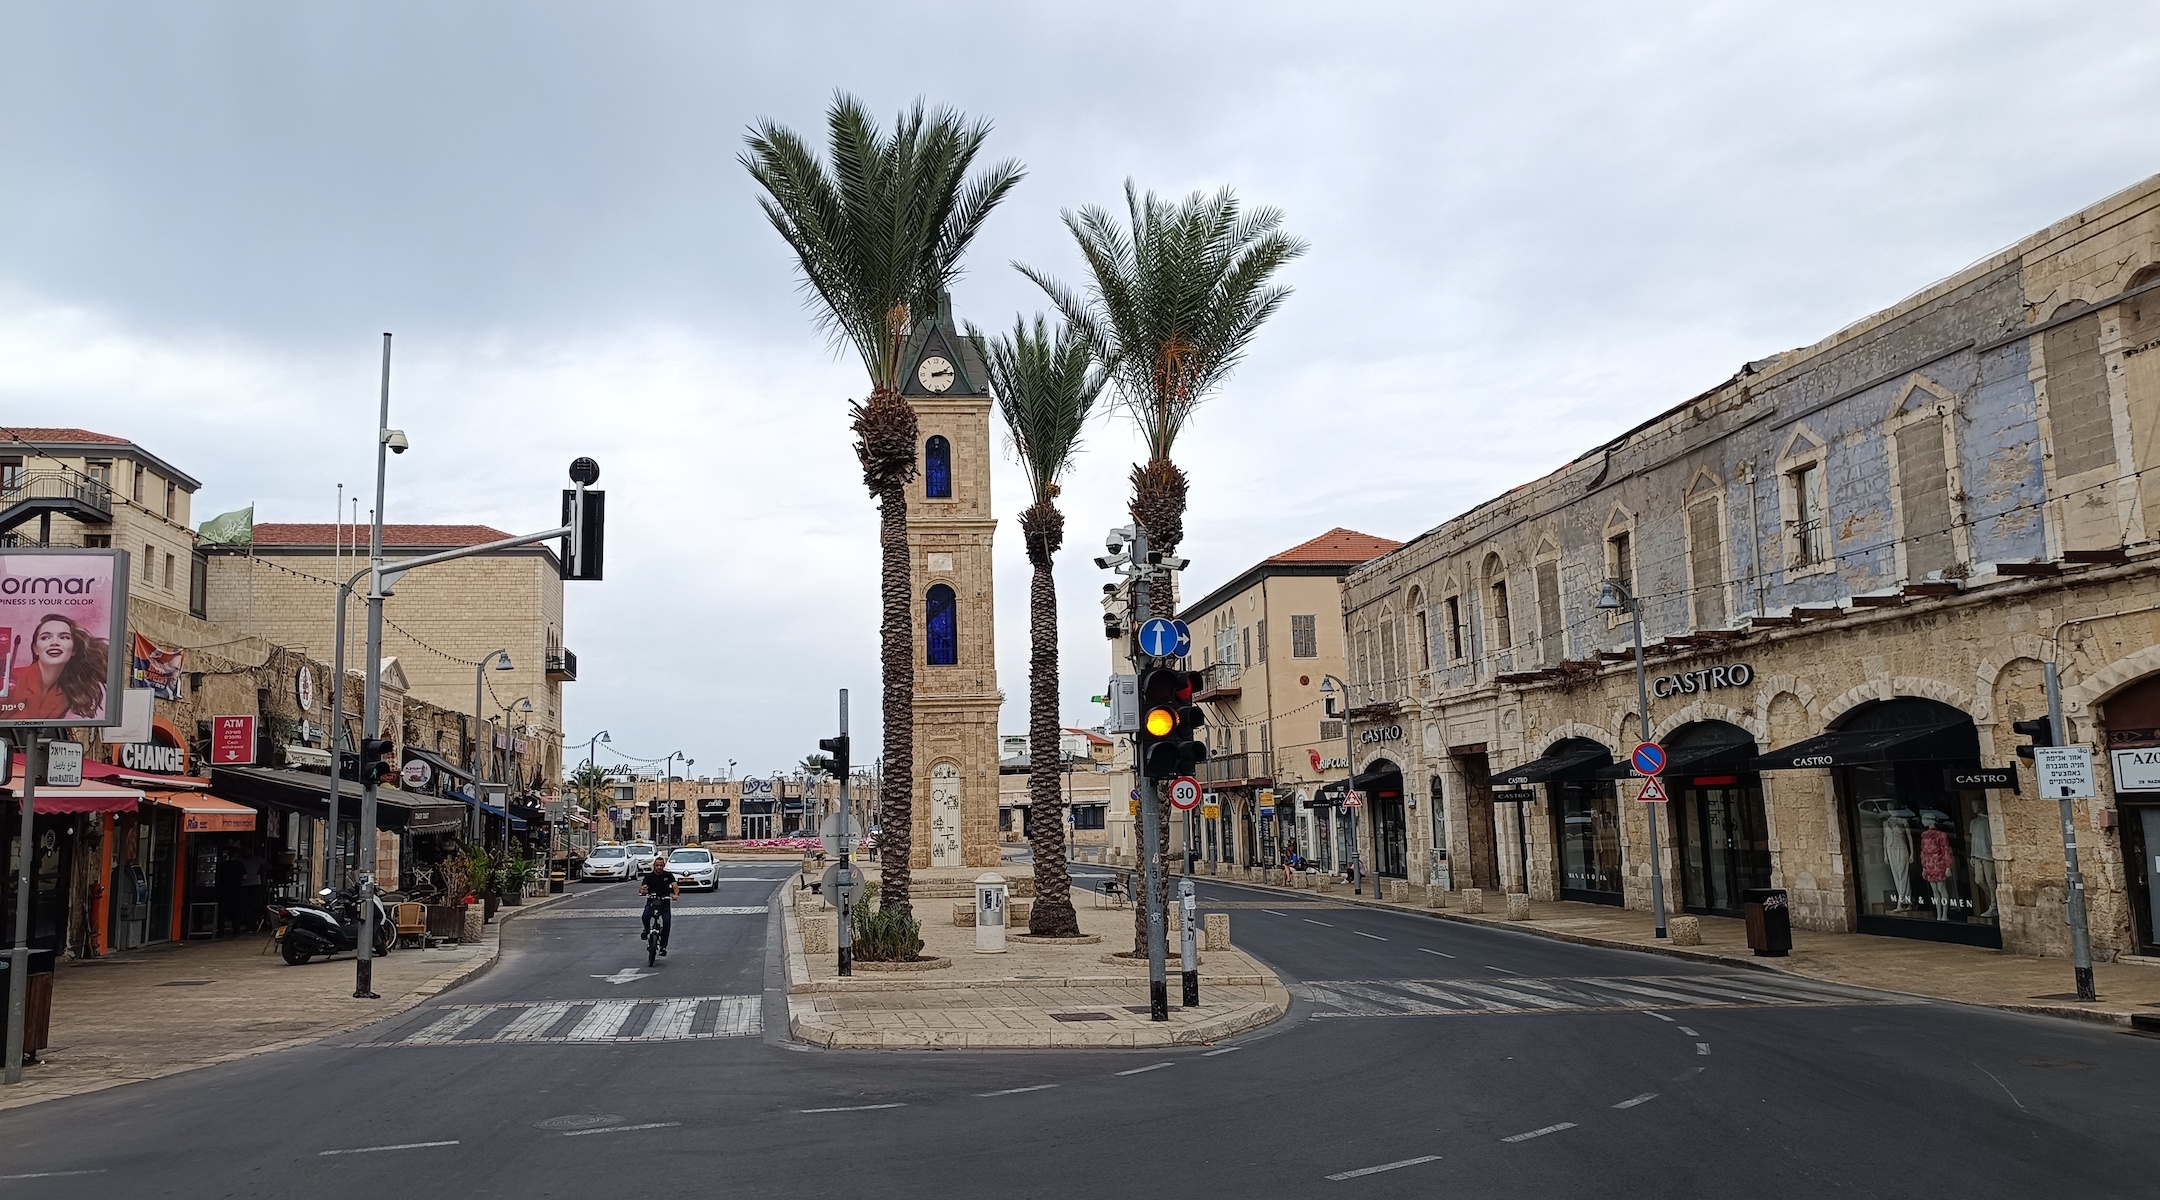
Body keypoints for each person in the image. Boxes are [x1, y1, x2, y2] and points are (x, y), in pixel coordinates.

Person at [3, 613, 109, 721]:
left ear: (74, 650)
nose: (54, 643)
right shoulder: (12, 680)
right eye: (45, 638)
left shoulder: (65, 696)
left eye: (64, 637)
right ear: (35, 649)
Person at [638, 854, 679, 955]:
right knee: (645, 916)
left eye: (661, 865)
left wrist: (676, 895)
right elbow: (643, 887)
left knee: (667, 923)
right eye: (657, 865)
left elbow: (675, 886)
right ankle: (647, 931)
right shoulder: (649, 877)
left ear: (663, 865)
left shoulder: (668, 875)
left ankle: (663, 947)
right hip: (652, 901)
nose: (659, 867)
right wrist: (643, 891)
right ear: (654, 866)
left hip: (664, 902)